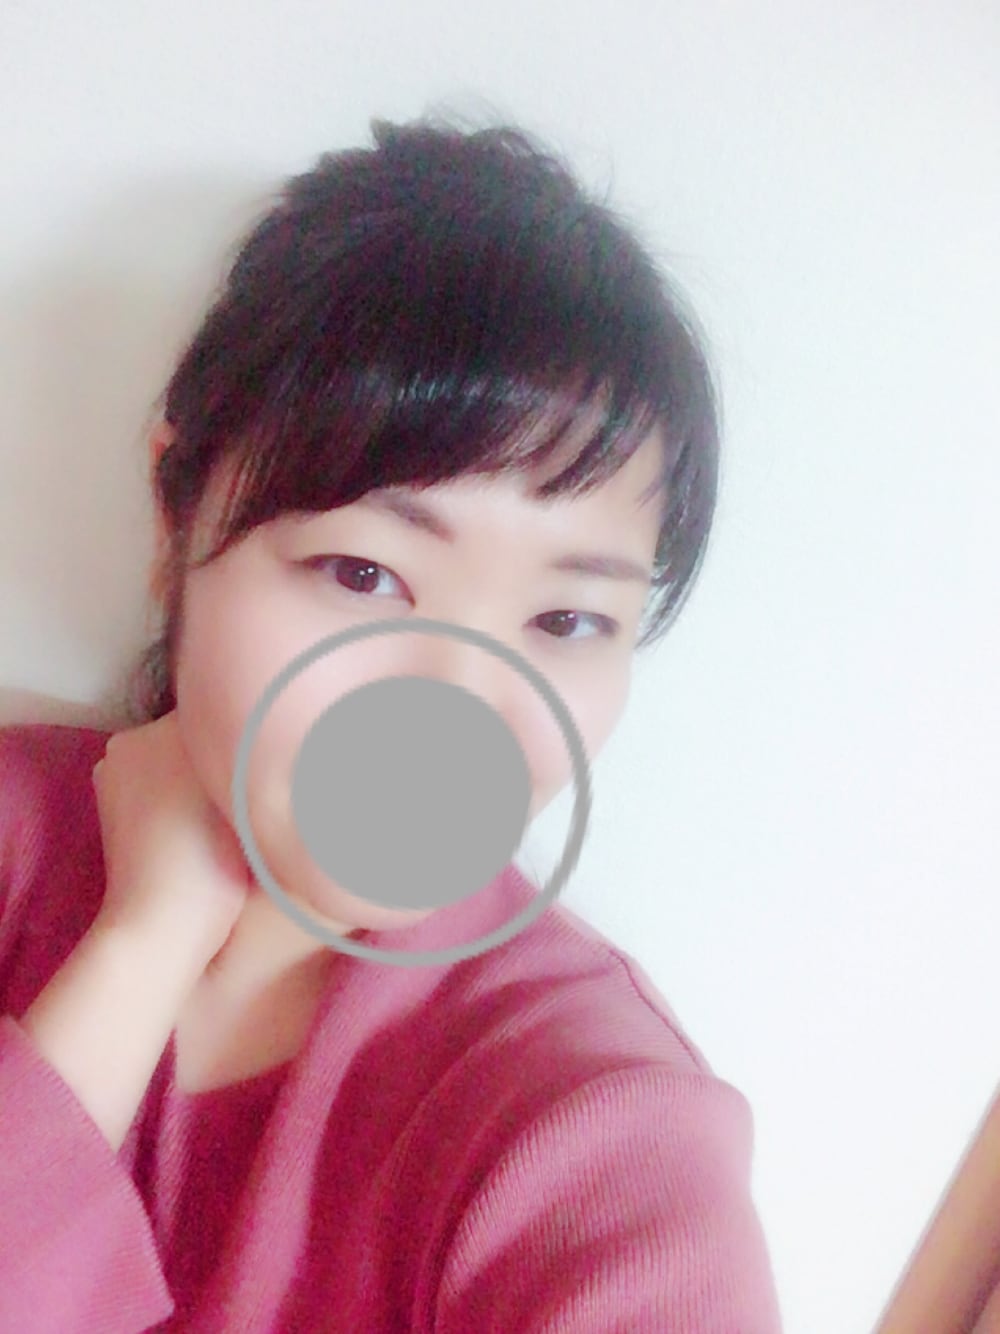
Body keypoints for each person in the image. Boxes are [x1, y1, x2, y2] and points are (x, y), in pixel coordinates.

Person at [0, 115, 783, 1331]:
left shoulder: (598, 1137)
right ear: (175, 514)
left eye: (565, 620)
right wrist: (135, 952)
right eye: (364, 574)